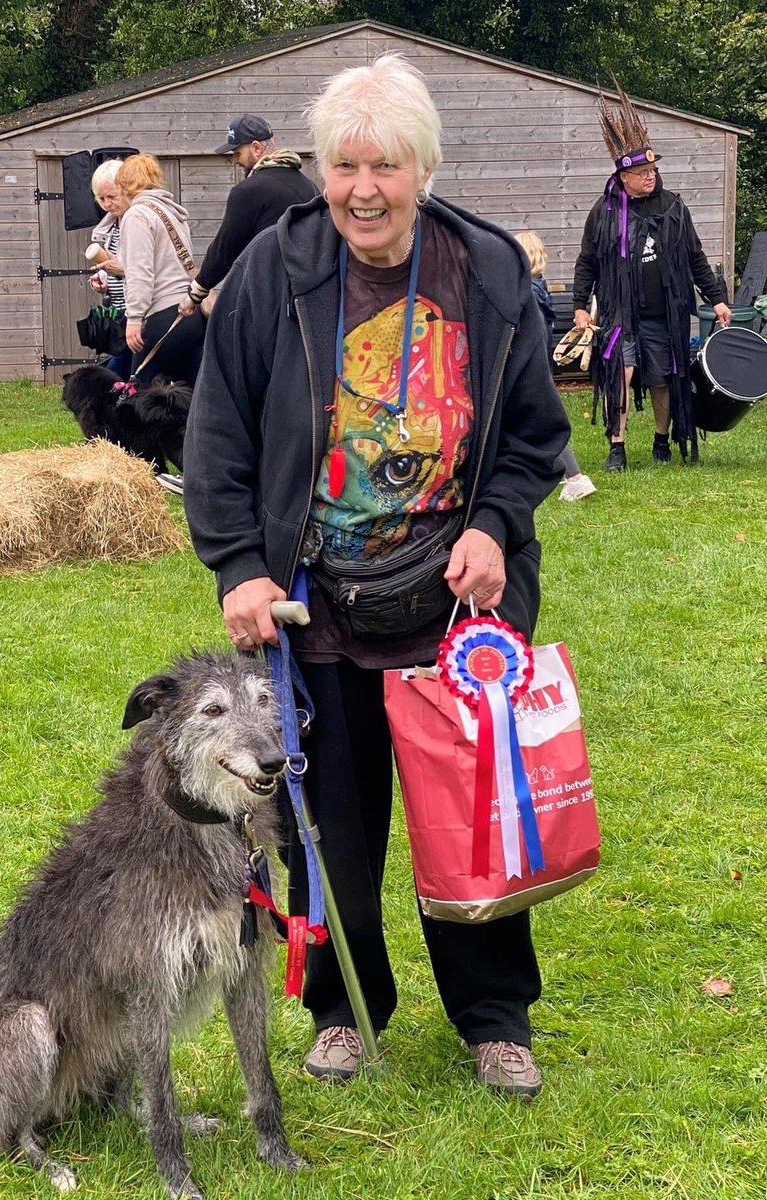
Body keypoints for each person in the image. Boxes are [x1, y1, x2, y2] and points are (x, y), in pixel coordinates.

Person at [183, 55, 569, 1099]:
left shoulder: (486, 272)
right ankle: (345, 1010)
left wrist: (495, 523)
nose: (363, 189)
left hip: (456, 611)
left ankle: (495, 1020)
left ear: (424, 169)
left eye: (384, 167)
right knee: (328, 833)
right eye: (345, 165)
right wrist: (238, 566)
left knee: (473, 824)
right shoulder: (276, 269)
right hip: (317, 611)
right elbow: (217, 432)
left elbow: (537, 435)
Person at [572, 83, 731, 471]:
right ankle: (617, 447)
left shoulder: (673, 207)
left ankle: (662, 439)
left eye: (653, 169)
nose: (650, 176)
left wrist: (717, 297)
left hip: (664, 313)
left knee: (663, 378)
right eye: (642, 171)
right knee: (619, 374)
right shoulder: (605, 211)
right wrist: (579, 305)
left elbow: (695, 256)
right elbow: (587, 259)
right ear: (623, 176)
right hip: (619, 313)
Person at [178, 115, 318, 317]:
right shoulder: (308, 185)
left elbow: (224, 250)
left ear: (256, 148)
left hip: (271, 302)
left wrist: (196, 293)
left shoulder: (249, 190)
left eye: (237, 152)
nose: (235, 160)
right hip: (308, 299)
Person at [514, 230, 597, 501]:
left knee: (544, 426)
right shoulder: (539, 288)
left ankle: (575, 478)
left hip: (527, 370)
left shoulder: (526, 294)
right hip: (536, 367)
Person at [115, 153, 205, 387]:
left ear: (123, 184)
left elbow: (140, 272)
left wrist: (133, 318)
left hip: (163, 316)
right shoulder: (173, 214)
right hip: (190, 314)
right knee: (186, 398)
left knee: (140, 397)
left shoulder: (137, 215)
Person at [85, 158, 131, 379]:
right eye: (101, 198)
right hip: (118, 313)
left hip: (140, 315)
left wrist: (122, 270)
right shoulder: (110, 226)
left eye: (112, 196)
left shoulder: (138, 221)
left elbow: (154, 269)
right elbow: (113, 263)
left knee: (114, 377)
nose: (106, 204)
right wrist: (102, 278)